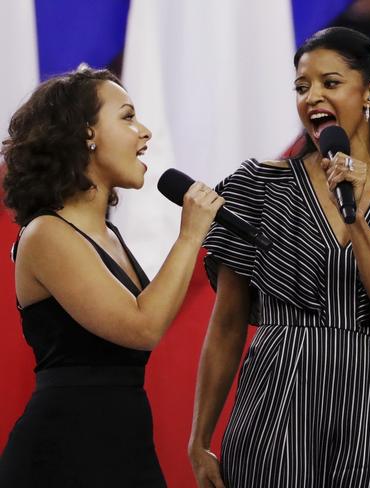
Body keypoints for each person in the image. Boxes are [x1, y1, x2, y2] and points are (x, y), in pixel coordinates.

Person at [189, 27, 370, 488]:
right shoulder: (257, 184)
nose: (312, 97)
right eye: (302, 87)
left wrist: (354, 215)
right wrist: (200, 437)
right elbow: (227, 321)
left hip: (367, 407)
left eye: (330, 83)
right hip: (273, 399)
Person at [0, 67, 223, 487]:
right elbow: (143, 326)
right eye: (127, 117)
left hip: (123, 443)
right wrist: (191, 235)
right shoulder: (46, 232)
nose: (145, 132)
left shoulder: (109, 235)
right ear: (87, 134)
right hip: (63, 455)